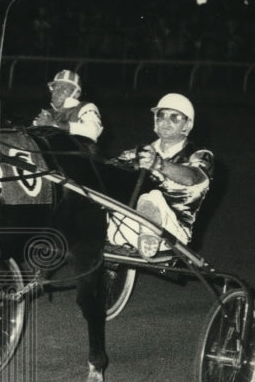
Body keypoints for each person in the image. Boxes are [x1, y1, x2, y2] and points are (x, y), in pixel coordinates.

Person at [109, 93, 213, 258]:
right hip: (128, 225)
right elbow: (109, 171)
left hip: (171, 233)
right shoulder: (141, 152)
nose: (166, 121)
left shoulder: (200, 155)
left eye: (175, 117)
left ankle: (150, 235)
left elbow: (192, 178)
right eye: (161, 115)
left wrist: (158, 164)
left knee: (153, 196)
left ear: (187, 124)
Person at [32, 70, 103, 141]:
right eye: (55, 87)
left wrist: (55, 125)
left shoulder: (86, 107)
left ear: (76, 94)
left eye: (63, 88)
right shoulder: (48, 113)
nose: (56, 92)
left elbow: (93, 131)